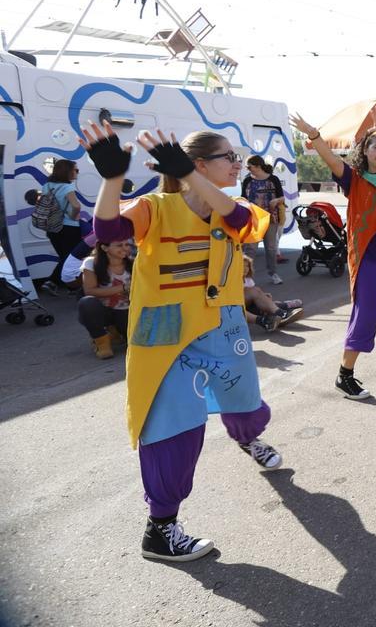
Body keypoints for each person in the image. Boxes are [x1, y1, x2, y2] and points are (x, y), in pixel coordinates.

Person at [82, 122, 281, 562]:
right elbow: (109, 234)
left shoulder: (238, 204)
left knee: (244, 402)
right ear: (199, 164)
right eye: (228, 157)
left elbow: (240, 222)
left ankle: (248, 438)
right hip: (166, 334)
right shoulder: (154, 207)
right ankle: (161, 529)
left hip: (223, 326)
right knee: (173, 428)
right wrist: (112, 178)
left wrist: (191, 178)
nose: (236, 163)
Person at [290, 107, 376, 401]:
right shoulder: (353, 179)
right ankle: (345, 374)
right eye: (374, 144)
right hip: (367, 256)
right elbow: (329, 158)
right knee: (365, 312)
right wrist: (313, 135)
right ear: (363, 152)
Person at [77, 238, 131, 359]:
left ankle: (116, 332)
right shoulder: (91, 262)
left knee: (134, 342)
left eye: (127, 244)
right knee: (87, 303)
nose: (125, 248)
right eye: (119, 245)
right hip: (104, 310)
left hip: (128, 310)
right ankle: (101, 341)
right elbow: (89, 291)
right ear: (104, 247)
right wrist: (124, 288)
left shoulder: (134, 261)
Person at [39, 158, 84, 292]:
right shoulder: (67, 187)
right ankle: (52, 282)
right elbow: (76, 205)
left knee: (64, 256)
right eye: (76, 170)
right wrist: (73, 215)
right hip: (69, 228)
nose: (77, 172)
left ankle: (72, 287)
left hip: (52, 227)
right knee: (71, 257)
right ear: (68, 172)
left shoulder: (47, 185)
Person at [240, 155, 286, 285]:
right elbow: (243, 199)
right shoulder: (247, 180)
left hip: (271, 218)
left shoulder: (273, 179)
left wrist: (276, 200)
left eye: (249, 167)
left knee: (271, 248)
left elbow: (282, 198)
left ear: (258, 166)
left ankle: (273, 274)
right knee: (250, 248)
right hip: (253, 219)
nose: (248, 169)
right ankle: (247, 277)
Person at [242, 256, 302, 332]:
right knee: (261, 300)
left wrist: (263, 295)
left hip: (249, 305)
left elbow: (255, 295)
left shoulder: (248, 279)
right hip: (239, 304)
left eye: (247, 266)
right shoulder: (232, 280)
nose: (245, 268)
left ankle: (279, 315)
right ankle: (284, 308)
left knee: (264, 301)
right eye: (242, 266)